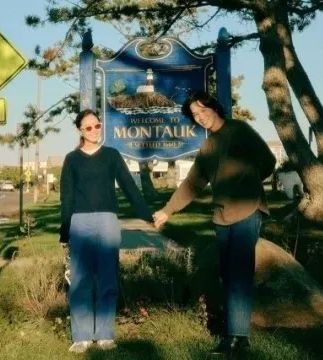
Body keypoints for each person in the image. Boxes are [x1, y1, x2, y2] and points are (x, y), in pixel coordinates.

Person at [153, 92, 276, 356]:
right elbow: (191, 184)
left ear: (213, 107)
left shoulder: (240, 130)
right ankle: (234, 332)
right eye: (195, 116)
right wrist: (167, 211)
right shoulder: (208, 147)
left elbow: (268, 161)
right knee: (228, 275)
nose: (200, 117)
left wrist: (247, 184)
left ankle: (237, 337)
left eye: (202, 111)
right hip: (221, 217)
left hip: (247, 212)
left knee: (239, 275)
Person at [60, 109, 154, 353]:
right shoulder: (71, 159)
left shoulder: (111, 155)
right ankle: (81, 336)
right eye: (88, 127)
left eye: (97, 125)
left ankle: (104, 334)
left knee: (107, 277)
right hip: (80, 222)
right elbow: (66, 197)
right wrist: (64, 230)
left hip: (108, 221)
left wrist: (146, 214)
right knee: (80, 280)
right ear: (80, 130)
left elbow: (129, 187)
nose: (94, 131)